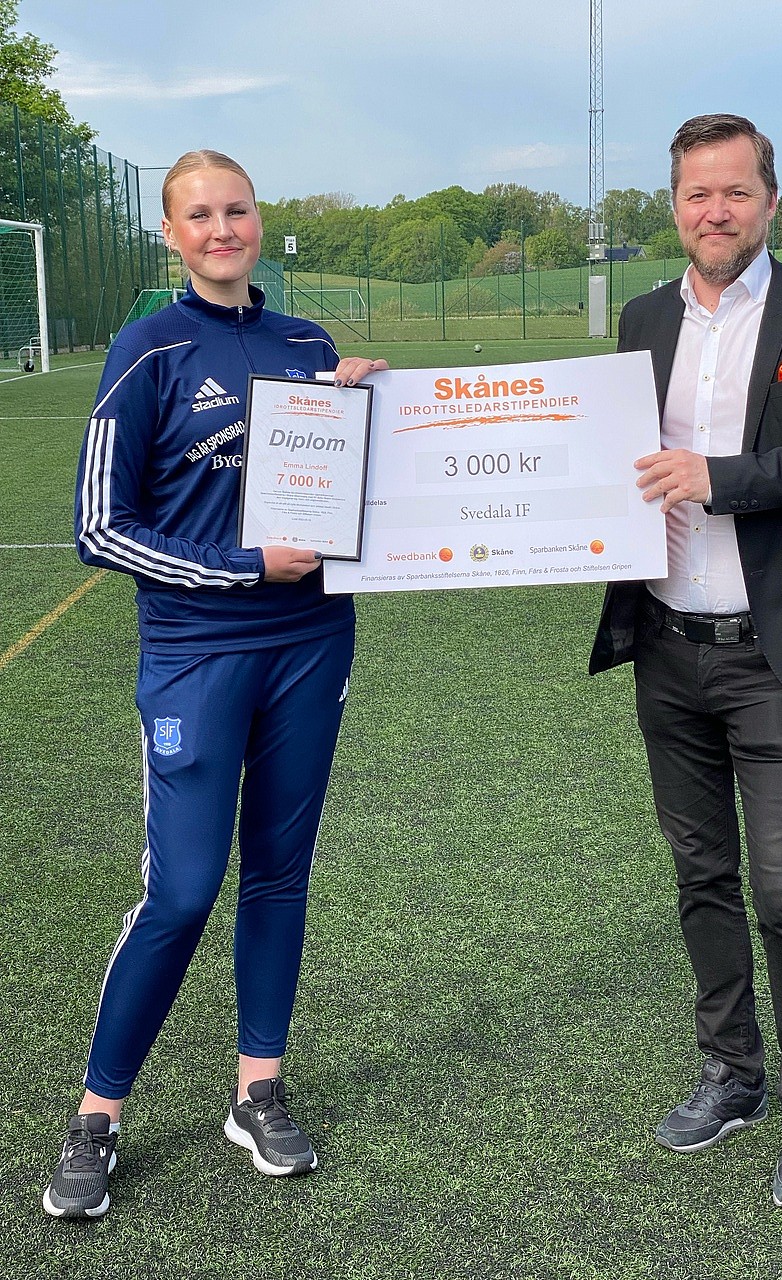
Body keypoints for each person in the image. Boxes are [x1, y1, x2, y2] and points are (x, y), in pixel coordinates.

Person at [43, 150, 386, 1219]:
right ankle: (97, 1117)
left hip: (312, 641)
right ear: (172, 233)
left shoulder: (308, 346)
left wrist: (374, 412)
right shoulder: (149, 348)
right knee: (184, 890)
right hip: (197, 650)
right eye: (200, 214)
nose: (222, 228)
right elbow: (100, 527)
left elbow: (353, 490)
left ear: (258, 220)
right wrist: (242, 568)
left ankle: (257, 1091)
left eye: (236, 209)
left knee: (279, 873)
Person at [590, 115, 782, 1211]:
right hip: (666, 647)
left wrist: (719, 477)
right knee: (701, 877)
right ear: (674, 206)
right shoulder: (641, 317)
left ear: (770, 199)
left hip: (779, 652)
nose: (714, 212)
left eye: (734, 192)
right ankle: (733, 1072)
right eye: (696, 194)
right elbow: (594, 451)